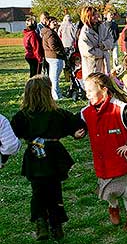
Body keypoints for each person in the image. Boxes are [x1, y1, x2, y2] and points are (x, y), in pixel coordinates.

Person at [10, 75, 85, 241]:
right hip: (53, 158)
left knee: (38, 191)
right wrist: (77, 132)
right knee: (54, 190)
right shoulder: (57, 114)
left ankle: (41, 221)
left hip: (34, 158)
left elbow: (11, 133)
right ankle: (56, 225)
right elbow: (77, 125)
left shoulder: (22, 116)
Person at [81, 72, 127, 233]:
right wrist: (77, 132)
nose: (86, 94)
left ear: (104, 90)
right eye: (85, 90)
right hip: (103, 162)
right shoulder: (86, 111)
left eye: (90, 90)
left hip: (121, 159)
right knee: (109, 192)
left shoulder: (120, 108)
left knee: (124, 191)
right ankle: (112, 207)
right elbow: (77, 123)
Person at [78, 6, 114, 79]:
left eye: (96, 14)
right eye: (93, 15)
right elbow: (88, 51)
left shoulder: (103, 27)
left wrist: (104, 45)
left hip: (105, 65)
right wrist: (103, 53)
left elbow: (110, 39)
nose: (96, 16)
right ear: (87, 17)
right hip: (92, 67)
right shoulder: (85, 33)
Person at [41, 16, 66, 100]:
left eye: (56, 21)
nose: (55, 23)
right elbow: (53, 46)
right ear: (48, 23)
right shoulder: (50, 33)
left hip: (51, 56)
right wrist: (61, 53)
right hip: (55, 56)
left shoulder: (48, 32)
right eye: (53, 22)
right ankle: (56, 95)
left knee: (53, 77)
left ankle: (56, 93)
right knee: (55, 77)